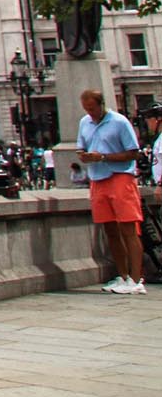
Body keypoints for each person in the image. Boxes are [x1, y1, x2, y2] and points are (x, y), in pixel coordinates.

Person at [75, 89, 145, 294]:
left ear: (101, 104)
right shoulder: (84, 123)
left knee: (128, 230)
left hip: (120, 176)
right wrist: (83, 155)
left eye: (93, 109)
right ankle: (123, 276)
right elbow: (81, 146)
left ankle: (136, 278)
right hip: (97, 179)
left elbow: (134, 153)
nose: (90, 113)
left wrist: (103, 157)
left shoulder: (120, 122)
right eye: (86, 109)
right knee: (110, 231)